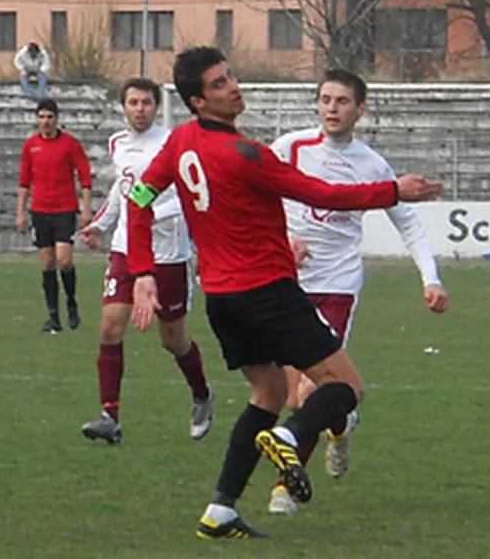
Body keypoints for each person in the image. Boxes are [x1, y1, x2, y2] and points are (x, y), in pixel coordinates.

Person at [124, 47, 444, 539]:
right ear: (197, 101)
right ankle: (290, 436)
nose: (233, 87)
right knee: (346, 389)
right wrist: (392, 191)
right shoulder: (246, 155)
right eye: (218, 84)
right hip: (268, 292)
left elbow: (139, 198)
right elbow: (320, 193)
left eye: (230, 76)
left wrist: (142, 270)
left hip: (223, 299)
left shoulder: (179, 144)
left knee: (269, 391)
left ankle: (221, 510)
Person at [263, 68, 449, 515]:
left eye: (342, 101)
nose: (331, 108)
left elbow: (408, 224)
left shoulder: (372, 165)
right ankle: (342, 425)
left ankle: (285, 488)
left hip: (337, 287)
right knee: (293, 397)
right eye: (325, 99)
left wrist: (431, 278)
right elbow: (256, 197)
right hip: (288, 285)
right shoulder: (289, 147)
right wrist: (280, 242)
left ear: (360, 110)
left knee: (310, 391)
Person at [76, 78, 213, 445]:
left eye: (147, 102)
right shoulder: (118, 144)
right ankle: (110, 414)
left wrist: (154, 212)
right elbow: (123, 193)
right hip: (127, 247)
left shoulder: (175, 144)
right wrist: (100, 224)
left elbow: (187, 195)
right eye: (133, 102)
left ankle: (201, 393)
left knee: (173, 338)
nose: (140, 109)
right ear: (124, 107)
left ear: (157, 106)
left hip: (169, 253)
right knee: (109, 326)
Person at [16, 98, 93, 332]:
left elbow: (85, 177)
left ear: (57, 119)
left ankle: (71, 302)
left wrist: (86, 209)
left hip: (64, 209)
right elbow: (24, 180)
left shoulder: (70, 144)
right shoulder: (31, 146)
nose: (45, 122)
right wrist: (21, 211)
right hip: (40, 210)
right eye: (41, 117)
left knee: (64, 260)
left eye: (49, 117)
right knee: (47, 262)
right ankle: (53, 317)